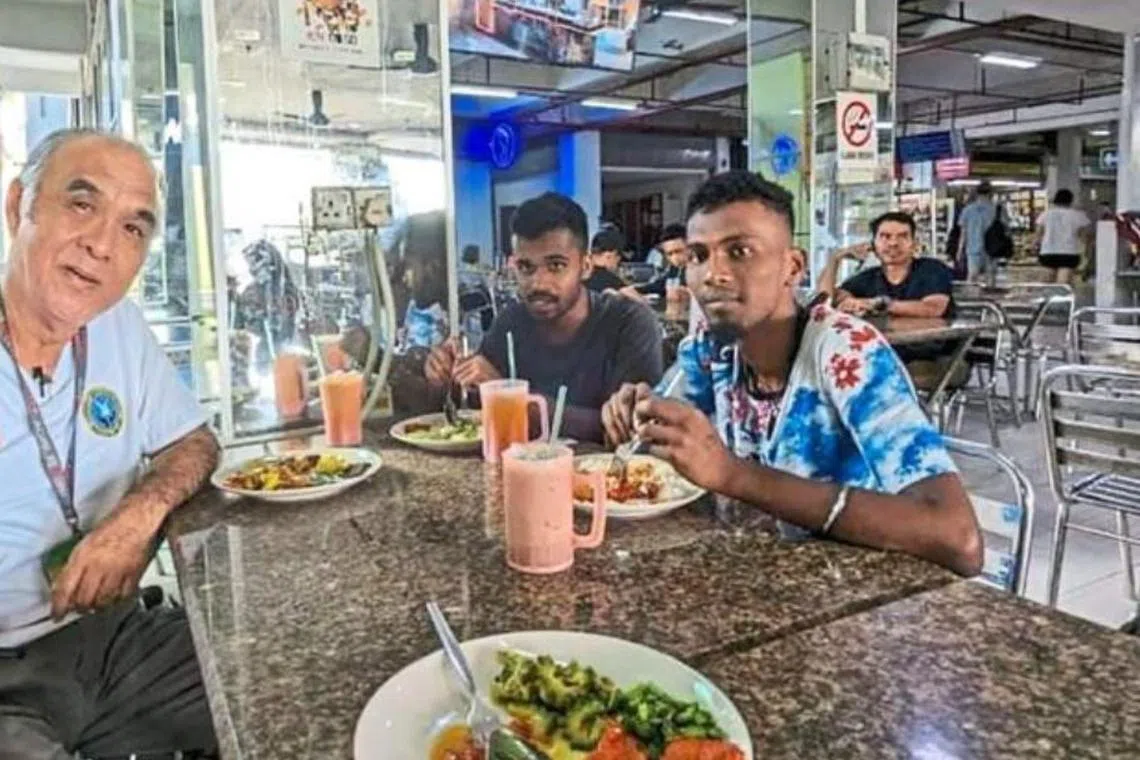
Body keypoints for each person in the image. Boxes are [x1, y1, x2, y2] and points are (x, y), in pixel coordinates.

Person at [600, 171, 982, 576]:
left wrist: (733, 474)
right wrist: (638, 416)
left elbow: (958, 538)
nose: (713, 273)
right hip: (765, 580)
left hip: (861, 596)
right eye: (697, 256)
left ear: (793, 266)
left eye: (740, 251)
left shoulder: (846, 353)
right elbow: (652, 454)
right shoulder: (710, 348)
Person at [0, 130, 219, 757]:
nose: (101, 245)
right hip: (8, 677)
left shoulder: (117, 326)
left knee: (273, 684)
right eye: (82, 204)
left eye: (133, 228)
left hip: (118, 638)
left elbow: (195, 445)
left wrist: (135, 518)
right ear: (19, 207)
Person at [424, 192, 663, 443]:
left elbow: (632, 430)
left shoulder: (629, 322)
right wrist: (447, 379)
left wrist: (511, 398)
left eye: (556, 265)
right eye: (526, 267)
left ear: (586, 267)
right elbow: (473, 413)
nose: (538, 283)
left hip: (602, 479)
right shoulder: (510, 323)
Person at [1034, 189, 1090, 284]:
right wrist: (1085, 253)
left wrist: (1036, 245)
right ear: (1071, 200)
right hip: (1069, 253)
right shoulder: (1079, 215)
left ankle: (1047, 298)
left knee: (1047, 283)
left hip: (1048, 252)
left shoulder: (1045, 214)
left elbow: (1038, 234)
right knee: (1063, 284)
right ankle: (1062, 298)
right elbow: (1084, 237)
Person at [622, 223, 689, 301]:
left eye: (678, 251)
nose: (675, 258)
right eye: (669, 254)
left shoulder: (701, 269)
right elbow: (659, 285)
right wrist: (633, 289)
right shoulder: (675, 269)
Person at [957, 181, 997, 282]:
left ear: (977, 193)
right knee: (990, 278)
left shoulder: (967, 210)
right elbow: (1006, 231)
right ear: (991, 193)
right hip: (992, 250)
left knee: (972, 277)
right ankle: (989, 297)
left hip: (973, 250)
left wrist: (959, 251)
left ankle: (971, 296)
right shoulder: (997, 210)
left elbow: (963, 233)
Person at [583, 226, 627, 293]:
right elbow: (640, 300)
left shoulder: (577, 273)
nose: (618, 263)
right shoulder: (611, 281)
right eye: (618, 258)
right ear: (609, 255)